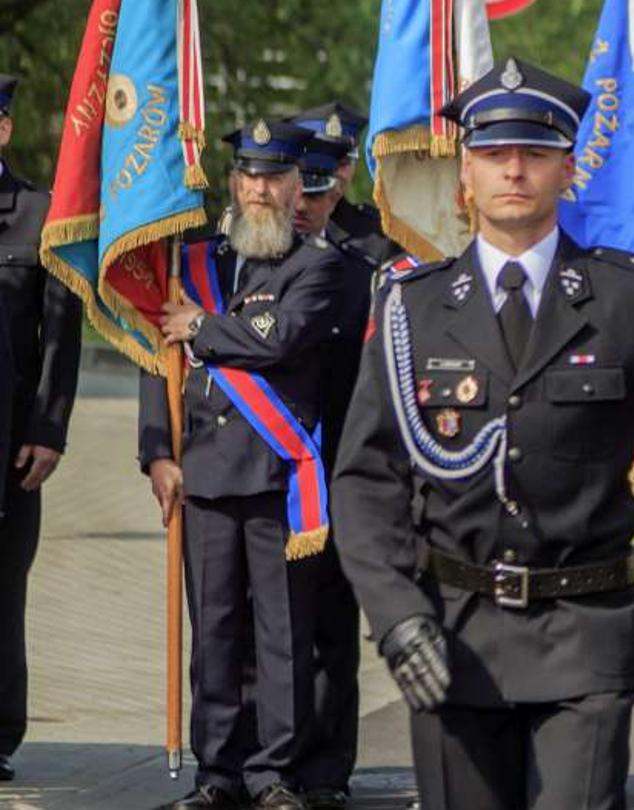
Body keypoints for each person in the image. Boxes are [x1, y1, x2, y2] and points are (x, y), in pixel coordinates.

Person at [330, 58, 634, 810]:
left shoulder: (628, 298)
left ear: (569, 169)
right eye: (494, 152)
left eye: (535, 152)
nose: (514, 170)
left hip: (587, 634)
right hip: (452, 636)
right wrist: (396, 615)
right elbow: (365, 480)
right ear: (466, 172)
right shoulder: (410, 308)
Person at [141, 120, 344, 810]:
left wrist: (201, 326)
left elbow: (279, 337)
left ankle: (273, 773)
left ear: (296, 187)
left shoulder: (315, 265)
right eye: (250, 176)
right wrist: (156, 452)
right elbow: (156, 357)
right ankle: (217, 773)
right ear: (233, 182)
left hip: (277, 476)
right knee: (215, 633)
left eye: (275, 177)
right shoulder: (193, 261)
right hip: (202, 472)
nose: (261, 189)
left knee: (282, 635)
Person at [283, 127, 376, 810]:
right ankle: (264, 761)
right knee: (260, 627)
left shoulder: (361, 264)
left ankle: (324, 771)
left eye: (315, 191)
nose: (302, 205)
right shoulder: (239, 262)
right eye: (295, 190)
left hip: (339, 462)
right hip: (266, 467)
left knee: (331, 627)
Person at [0, 72, 78, 785]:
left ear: (3, 130)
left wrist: (50, 428)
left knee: (3, 586)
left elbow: (59, 336)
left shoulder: (38, 214)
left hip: (10, 445)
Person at [286, 103, 400, 267]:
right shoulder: (270, 222)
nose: (334, 172)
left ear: (355, 166)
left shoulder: (380, 234)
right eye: (321, 161)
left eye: (343, 163)